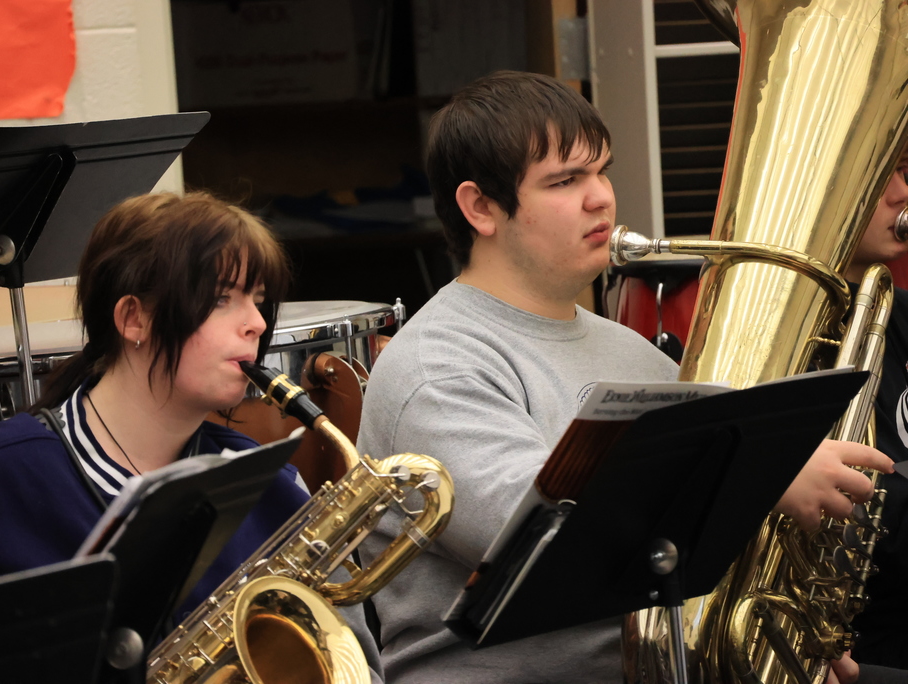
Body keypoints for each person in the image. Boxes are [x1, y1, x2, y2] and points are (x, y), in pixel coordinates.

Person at [356, 70, 893, 683]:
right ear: (480, 207)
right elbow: (551, 542)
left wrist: (795, 640)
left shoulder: (632, 353)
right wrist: (766, 472)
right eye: (564, 181)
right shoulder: (435, 366)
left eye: (601, 171)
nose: (601, 199)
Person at [0, 191, 381, 679]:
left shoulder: (276, 491)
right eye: (221, 299)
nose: (255, 322)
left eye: (259, 300)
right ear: (133, 318)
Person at [842, 154, 908, 672]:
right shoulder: (767, 345)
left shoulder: (901, 313)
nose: (901, 192)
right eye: (879, 168)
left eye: (902, 170)